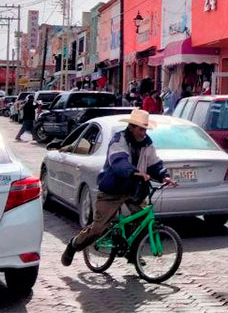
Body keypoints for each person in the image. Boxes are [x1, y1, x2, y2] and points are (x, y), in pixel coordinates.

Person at [60, 109, 176, 266]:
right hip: (112, 189)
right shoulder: (118, 139)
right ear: (132, 127)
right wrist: (135, 173)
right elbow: (119, 162)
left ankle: (133, 255)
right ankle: (73, 245)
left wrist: (164, 176)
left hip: (133, 190)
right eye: (141, 129)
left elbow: (154, 163)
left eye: (145, 129)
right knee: (98, 228)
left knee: (143, 221)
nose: (144, 132)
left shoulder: (147, 143)